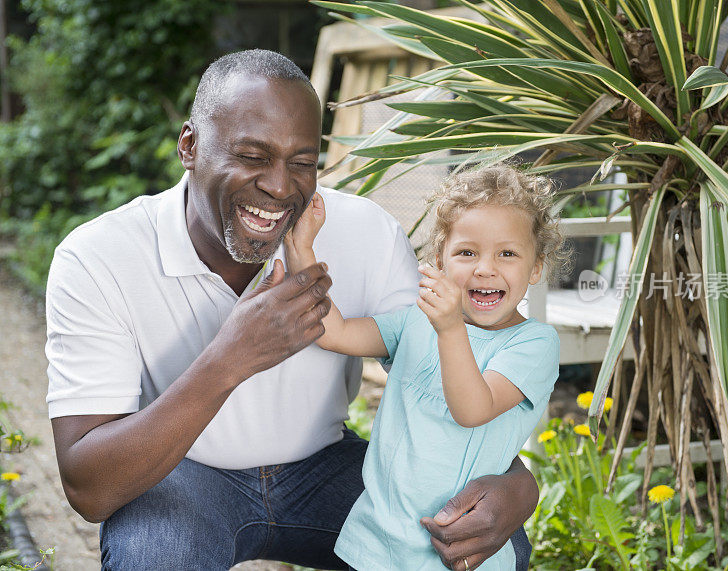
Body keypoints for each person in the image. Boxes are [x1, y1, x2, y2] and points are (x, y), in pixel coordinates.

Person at [45, 49, 539, 570]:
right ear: (189, 145)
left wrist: (518, 484)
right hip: (182, 477)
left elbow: (440, 382)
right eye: (253, 157)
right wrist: (231, 357)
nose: (280, 187)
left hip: (325, 467)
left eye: (302, 164)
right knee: (156, 555)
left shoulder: (364, 232)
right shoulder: (99, 256)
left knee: (475, 547)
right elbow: (90, 487)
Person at [284, 165, 565, 570]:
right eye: (467, 252)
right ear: (439, 261)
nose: (486, 268)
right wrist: (303, 254)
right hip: (377, 545)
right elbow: (336, 333)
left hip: (458, 550)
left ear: (536, 267)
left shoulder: (533, 344)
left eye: (507, 253)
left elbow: (473, 409)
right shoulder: (416, 321)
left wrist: (450, 328)